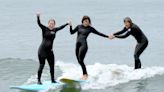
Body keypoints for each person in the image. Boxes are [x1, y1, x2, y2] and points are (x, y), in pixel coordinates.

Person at [69, 16, 109, 80]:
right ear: (82, 21)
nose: (86, 22)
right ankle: (85, 73)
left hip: (84, 45)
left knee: (81, 60)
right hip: (77, 45)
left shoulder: (90, 28)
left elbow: (99, 33)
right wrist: (70, 26)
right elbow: (71, 32)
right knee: (79, 61)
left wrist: (108, 36)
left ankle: (85, 75)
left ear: (89, 22)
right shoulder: (79, 26)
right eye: (85, 21)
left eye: (87, 21)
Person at [36, 12, 70, 84]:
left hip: (50, 52)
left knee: (52, 66)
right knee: (42, 65)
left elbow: (61, 27)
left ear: (54, 24)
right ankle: (38, 80)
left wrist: (67, 23)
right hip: (42, 51)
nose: (51, 24)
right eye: (50, 23)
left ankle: (52, 80)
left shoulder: (55, 30)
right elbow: (39, 23)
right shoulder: (44, 28)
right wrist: (38, 17)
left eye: (53, 23)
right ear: (48, 24)